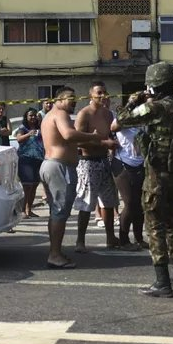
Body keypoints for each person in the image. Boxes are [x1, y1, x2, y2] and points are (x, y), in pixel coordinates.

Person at [115, 62, 173, 297]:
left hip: (157, 176)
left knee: (156, 226)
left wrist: (133, 101)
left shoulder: (156, 108)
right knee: (172, 224)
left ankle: (162, 282)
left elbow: (123, 119)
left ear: (154, 84)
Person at [39, 86, 106, 269]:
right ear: (58, 100)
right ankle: (54, 255)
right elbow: (68, 134)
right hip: (59, 167)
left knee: (56, 212)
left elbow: (67, 138)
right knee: (60, 212)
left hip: (51, 165)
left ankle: (56, 251)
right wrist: (92, 137)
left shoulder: (50, 116)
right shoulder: (60, 114)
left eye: (75, 98)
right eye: (70, 98)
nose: (74, 101)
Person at [73, 82, 120, 252]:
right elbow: (77, 140)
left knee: (109, 202)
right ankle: (80, 241)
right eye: (99, 92)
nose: (102, 95)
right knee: (86, 204)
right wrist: (100, 141)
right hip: (88, 163)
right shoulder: (84, 114)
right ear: (91, 94)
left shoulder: (108, 114)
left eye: (104, 92)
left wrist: (112, 143)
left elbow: (112, 134)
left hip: (104, 161)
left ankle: (110, 238)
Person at [111, 116, 147, 250]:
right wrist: (131, 105)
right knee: (130, 203)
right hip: (122, 163)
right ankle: (124, 240)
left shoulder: (146, 116)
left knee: (139, 204)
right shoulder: (123, 118)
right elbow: (114, 127)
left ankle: (139, 239)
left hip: (140, 164)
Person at [14, 108, 44, 218]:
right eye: (30, 115)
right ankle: (22, 210)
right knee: (27, 186)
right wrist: (29, 134)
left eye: (35, 115)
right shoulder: (23, 128)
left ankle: (29, 209)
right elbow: (18, 139)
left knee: (34, 185)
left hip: (38, 159)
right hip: (25, 159)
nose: (33, 117)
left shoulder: (40, 128)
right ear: (26, 117)